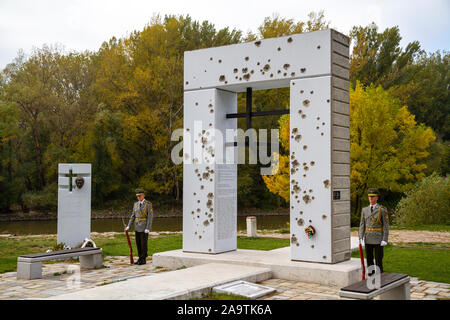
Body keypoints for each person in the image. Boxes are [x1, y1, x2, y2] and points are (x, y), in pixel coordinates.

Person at [358, 188, 389, 275]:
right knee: (369, 258)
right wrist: (361, 236)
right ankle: (371, 276)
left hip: (378, 238)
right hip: (368, 237)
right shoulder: (364, 210)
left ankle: (380, 276)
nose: (371, 198)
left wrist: (385, 239)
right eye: (369, 197)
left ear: (377, 198)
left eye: (373, 197)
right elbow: (362, 224)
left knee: (378, 259)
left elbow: (386, 225)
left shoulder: (382, 210)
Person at [125, 188, 153, 265]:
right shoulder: (135, 204)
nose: (138, 198)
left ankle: (143, 258)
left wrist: (148, 228)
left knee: (144, 243)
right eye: (137, 196)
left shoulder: (148, 204)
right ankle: (140, 258)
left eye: (139, 196)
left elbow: (150, 217)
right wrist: (128, 226)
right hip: (137, 226)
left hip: (144, 227)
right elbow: (133, 216)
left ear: (143, 195)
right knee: (138, 243)